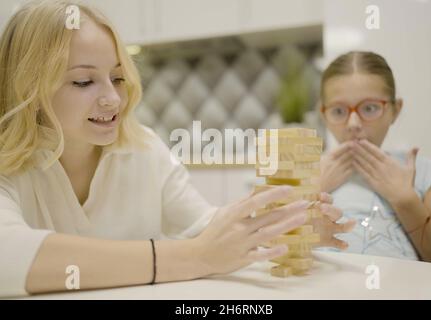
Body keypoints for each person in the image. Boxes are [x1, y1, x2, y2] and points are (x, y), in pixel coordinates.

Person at [0, 0, 352, 297]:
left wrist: (290, 229)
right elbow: (8, 256)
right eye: (83, 81)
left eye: (118, 78)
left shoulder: (144, 148)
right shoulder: (7, 165)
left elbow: (204, 228)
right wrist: (191, 257)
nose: (112, 98)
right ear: (28, 89)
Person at [319, 51, 431, 264]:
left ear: (395, 111)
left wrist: (405, 200)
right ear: (324, 114)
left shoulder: (421, 172)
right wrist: (307, 193)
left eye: (369, 108)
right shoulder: (307, 173)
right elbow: (268, 248)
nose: (353, 124)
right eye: (339, 111)